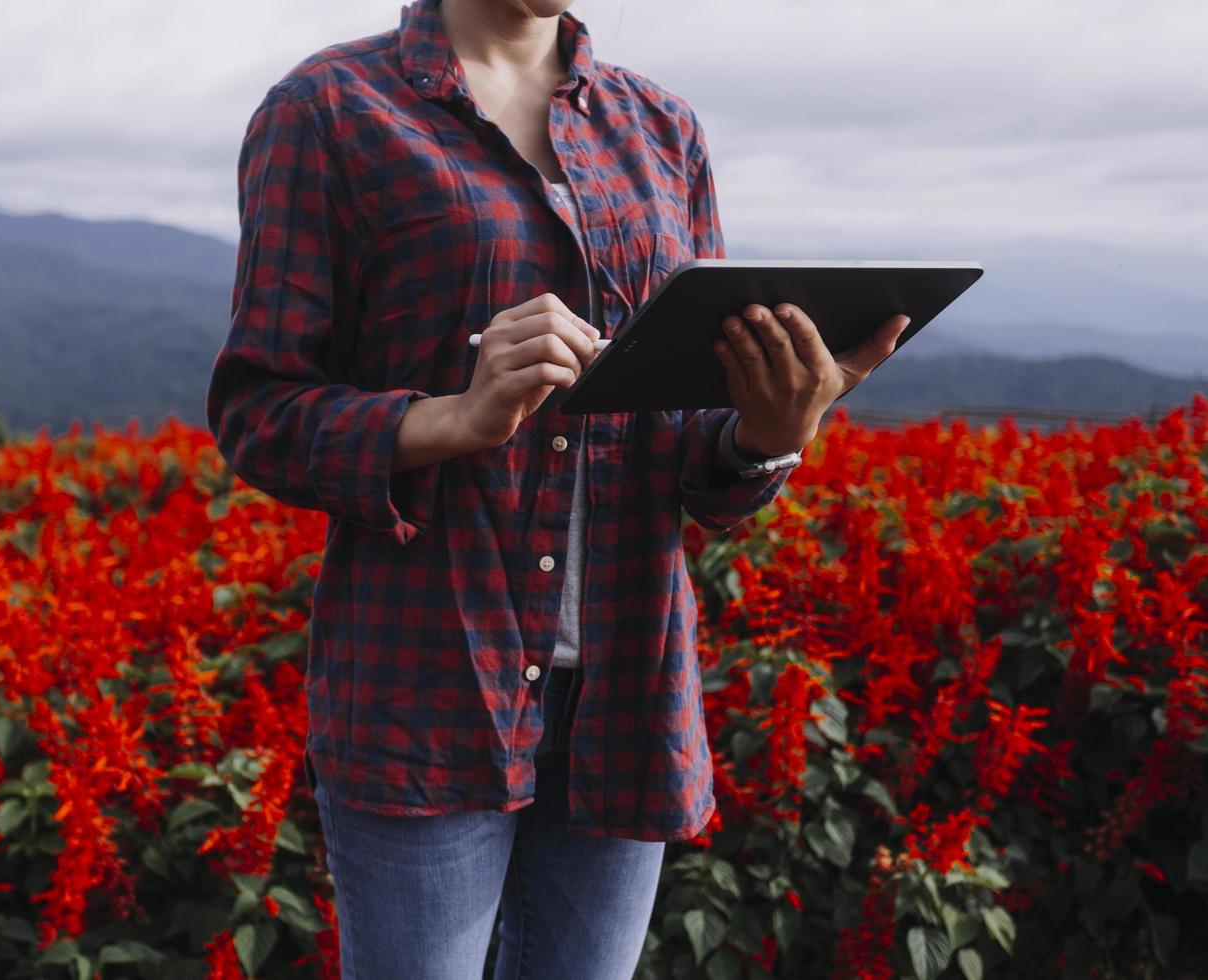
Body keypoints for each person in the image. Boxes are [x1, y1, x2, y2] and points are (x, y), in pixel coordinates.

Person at [204, 0, 908, 975]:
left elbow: (691, 457)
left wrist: (769, 434)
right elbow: (259, 410)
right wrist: (452, 415)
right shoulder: (331, 109)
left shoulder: (662, 130)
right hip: (428, 682)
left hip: (629, 684)